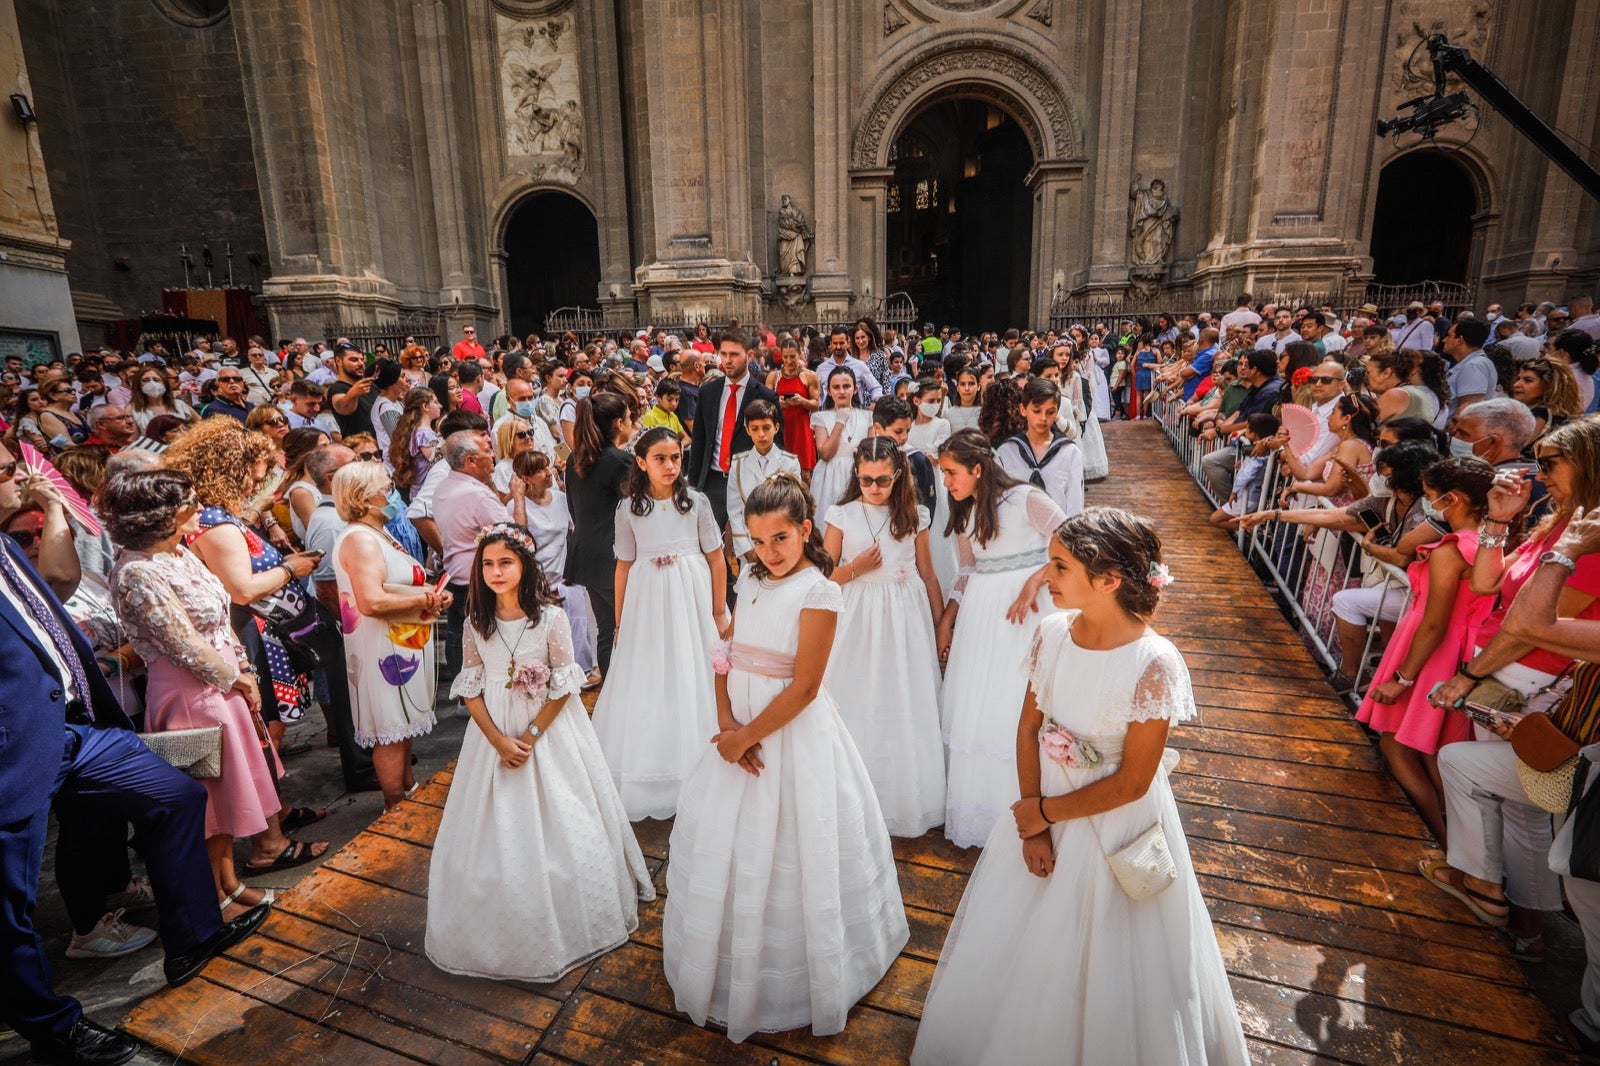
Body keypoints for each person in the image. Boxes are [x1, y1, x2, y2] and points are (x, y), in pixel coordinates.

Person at [911, 509, 1250, 1066]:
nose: (1047, 576)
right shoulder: (1050, 634)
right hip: (1042, 811)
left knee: (1117, 951)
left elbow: (1135, 782)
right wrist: (1032, 823)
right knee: (1035, 943)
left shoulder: (1153, 663)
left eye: (1060, 566)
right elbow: (1027, 728)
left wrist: (1045, 810)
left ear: (1109, 581)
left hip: (1116, 826)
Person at [1, 472, 270, 1066]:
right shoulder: (137, 569)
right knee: (8, 899)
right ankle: (53, 1030)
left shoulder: (9, 547)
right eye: (4, 473)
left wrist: (51, 505)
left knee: (176, 795)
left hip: (73, 723)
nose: (18, 479)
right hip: (12, 741)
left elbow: (62, 581)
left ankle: (193, 939)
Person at [662, 475, 908, 1042]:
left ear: (804, 531)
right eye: (757, 541)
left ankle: (798, 981)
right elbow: (724, 652)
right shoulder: (749, 576)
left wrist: (748, 737)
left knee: (795, 846)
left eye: (780, 539)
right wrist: (726, 725)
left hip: (787, 739)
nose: (768, 553)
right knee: (732, 847)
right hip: (738, 734)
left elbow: (804, 687)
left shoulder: (819, 590)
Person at [427, 523, 653, 980]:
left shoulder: (549, 618)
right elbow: (470, 686)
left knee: (566, 816)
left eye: (505, 562)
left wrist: (528, 736)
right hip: (493, 734)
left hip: (546, 732)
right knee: (494, 831)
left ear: (524, 564)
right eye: (487, 564)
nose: (495, 571)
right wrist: (496, 740)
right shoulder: (476, 621)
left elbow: (565, 686)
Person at [105, 470, 328, 920]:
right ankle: (215, 896)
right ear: (163, 516)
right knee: (207, 799)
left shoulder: (180, 552)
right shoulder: (135, 572)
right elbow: (182, 644)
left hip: (223, 683)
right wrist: (238, 678)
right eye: (189, 502)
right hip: (190, 695)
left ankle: (230, 884)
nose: (198, 507)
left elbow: (220, 616)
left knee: (226, 794)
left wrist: (243, 669)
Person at [1426, 416, 1600, 954]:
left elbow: (1528, 630)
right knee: (1519, 805)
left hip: (1525, 673)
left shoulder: (1590, 540)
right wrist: (1499, 523)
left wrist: (1470, 676)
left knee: (1518, 804)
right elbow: (1486, 584)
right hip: (1505, 664)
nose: (1540, 475)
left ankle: (1504, 904)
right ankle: (1526, 924)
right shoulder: (1563, 523)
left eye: (1550, 463)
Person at [936, 428, 1069, 847]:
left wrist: (1035, 581)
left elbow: (1075, 539)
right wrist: (949, 617)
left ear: (978, 468)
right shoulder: (964, 511)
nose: (946, 482)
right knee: (984, 704)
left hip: (1030, 613)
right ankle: (988, 811)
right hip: (982, 617)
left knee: (1021, 698)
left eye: (952, 472)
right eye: (943, 473)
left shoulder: (1025, 499)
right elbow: (968, 568)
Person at [590, 427, 729, 820]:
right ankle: (656, 764)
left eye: (675, 458)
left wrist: (719, 609)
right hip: (647, 599)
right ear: (642, 462)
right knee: (651, 673)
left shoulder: (696, 503)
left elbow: (717, 558)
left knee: (694, 669)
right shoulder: (629, 509)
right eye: (660, 459)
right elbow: (624, 565)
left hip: (692, 595)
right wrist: (620, 621)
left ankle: (702, 762)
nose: (670, 466)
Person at [1355, 457, 1495, 844]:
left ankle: (1446, 838)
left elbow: (1435, 622)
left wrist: (1403, 678)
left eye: (1433, 499)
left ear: (1454, 499)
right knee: (1432, 748)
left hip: (1431, 653)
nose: (1431, 507)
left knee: (1398, 743)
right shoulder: (1486, 543)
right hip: (1457, 649)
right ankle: (1459, 842)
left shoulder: (1451, 550)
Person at [822, 436, 946, 837]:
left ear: (898, 476)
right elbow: (823, 579)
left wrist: (941, 622)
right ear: (856, 474)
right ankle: (852, 793)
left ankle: (902, 795)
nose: (874, 488)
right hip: (857, 614)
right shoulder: (841, 515)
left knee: (902, 697)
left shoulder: (914, 515)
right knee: (859, 694)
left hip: (904, 617)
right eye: (866, 479)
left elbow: (928, 573)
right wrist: (854, 567)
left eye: (882, 480)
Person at [332, 462, 449, 810]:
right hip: (382, 648)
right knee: (390, 727)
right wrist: (426, 599)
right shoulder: (360, 540)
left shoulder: (379, 532)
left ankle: (408, 788)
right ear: (364, 497)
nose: (393, 492)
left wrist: (430, 590)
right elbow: (371, 601)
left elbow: (396, 582)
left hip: (400, 643)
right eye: (387, 488)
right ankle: (394, 803)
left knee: (402, 725)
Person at [508, 449, 599, 683]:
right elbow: (520, 538)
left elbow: (576, 528)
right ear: (525, 478)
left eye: (548, 466)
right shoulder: (516, 506)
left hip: (566, 578)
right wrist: (518, 498)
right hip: (536, 582)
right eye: (540, 470)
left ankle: (580, 679)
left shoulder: (560, 498)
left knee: (578, 634)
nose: (548, 472)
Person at [564, 393, 635, 678]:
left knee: (606, 629)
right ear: (619, 424)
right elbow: (635, 511)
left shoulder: (575, 458)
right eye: (630, 418)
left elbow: (572, 507)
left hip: (586, 553)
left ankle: (610, 691)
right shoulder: (620, 461)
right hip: (614, 557)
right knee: (628, 627)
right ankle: (625, 690)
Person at [433, 431, 512, 684]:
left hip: (455, 572)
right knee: (481, 635)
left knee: (458, 634)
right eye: (487, 451)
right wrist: (518, 498)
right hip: (477, 579)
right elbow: (513, 535)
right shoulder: (475, 494)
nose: (493, 456)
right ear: (470, 461)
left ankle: (463, 691)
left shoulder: (445, 487)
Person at [685, 327, 779, 532]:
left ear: (749, 355)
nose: (727, 360)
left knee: (749, 542)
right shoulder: (708, 391)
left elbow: (777, 444)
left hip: (749, 480)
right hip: (713, 479)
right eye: (724, 354)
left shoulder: (765, 396)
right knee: (709, 542)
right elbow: (699, 438)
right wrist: (693, 483)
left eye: (734, 354)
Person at [997, 376, 1085, 518]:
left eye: (1050, 412)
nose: (1043, 418)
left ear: (1057, 412)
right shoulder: (1007, 452)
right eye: (1036, 411)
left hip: (1057, 534)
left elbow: (1075, 504)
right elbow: (1000, 501)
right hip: (1018, 532)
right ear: (1023, 409)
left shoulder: (1070, 452)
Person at [725, 399, 801, 564]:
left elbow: (795, 506)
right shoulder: (739, 464)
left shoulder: (790, 463)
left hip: (781, 541)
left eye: (766, 428)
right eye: (755, 429)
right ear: (747, 430)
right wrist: (747, 549)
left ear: (776, 427)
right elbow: (734, 510)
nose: (761, 434)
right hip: (750, 542)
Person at [809, 365, 874, 519]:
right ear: (829, 391)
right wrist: (840, 422)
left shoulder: (867, 417)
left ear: (855, 389)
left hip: (858, 475)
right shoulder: (821, 417)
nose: (842, 391)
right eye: (836, 387)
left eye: (846, 386)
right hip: (830, 477)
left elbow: (872, 452)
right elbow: (825, 453)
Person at [766, 336, 819, 473]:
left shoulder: (809, 376)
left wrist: (802, 401)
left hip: (801, 427)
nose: (789, 361)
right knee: (779, 472)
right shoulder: (773, 376)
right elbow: (764, 403)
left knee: (805, 473)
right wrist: (777, 403)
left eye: (793, 357)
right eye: (785, 357)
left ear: (799, 354)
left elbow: (816, 404)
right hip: (781, 427)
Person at [387, 387, 443, 502]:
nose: (440, 406)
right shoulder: (423, 434)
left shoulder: (418, 431)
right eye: (436, 402)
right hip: (426, 494)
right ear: (425, 407)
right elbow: (437, 461)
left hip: (421, 492)